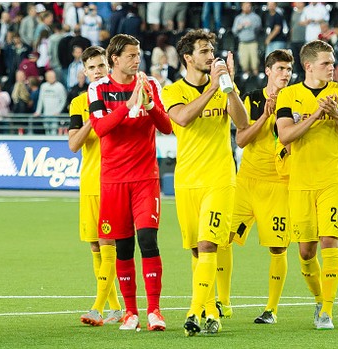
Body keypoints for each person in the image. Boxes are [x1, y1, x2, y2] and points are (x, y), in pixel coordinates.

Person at [161, 29, 249, 336]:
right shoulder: (172, 91)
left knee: (208, 243)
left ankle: (193, 312)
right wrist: (212, 88)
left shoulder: (223, 87)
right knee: (198, 252)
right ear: (188, 58)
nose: (211, 56)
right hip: (187, 182)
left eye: (212, 51)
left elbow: (242, 124)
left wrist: (229, 88)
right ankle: (211, 311)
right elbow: (182, 119)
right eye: (204, 51)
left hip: (220, 179)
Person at [86, 34, 173, 331]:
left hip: (145, 178)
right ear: (115, 58)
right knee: (123, 248)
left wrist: (148, 105)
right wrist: (128, 105)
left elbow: (166, 127)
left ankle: (154, 311)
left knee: (148, 240)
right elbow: (100, 128)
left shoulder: (150, 85)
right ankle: (131, 312)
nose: (137, 60)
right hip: (113, 181)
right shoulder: (98, 87)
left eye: (138, 55)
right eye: (131, 55)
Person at [275, 40, 338, 330]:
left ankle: (326, 311)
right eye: (326, 63)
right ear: (308, 66)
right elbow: (285, 136)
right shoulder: (288, 95)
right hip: (300, 182)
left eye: (333, 62)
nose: (332, 67)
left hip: (332, 179)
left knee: (330, 240)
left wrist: (336, 114)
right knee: (306, 252)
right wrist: (316, 115)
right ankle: (318, 297)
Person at [232, 49, 293, 325]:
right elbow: (241, 139)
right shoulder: (252, 98)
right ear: (268, 71)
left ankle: (271, 309)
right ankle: (221, 301)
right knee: (222, 238)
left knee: (278, 248)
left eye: (289, 70)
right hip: (246, 181)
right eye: (280, 69)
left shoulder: (297, 100)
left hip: (279, 184)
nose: (285, 74)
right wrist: (265, 116)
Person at [69, 46, 123, 327]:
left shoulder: (118, 96)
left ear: (109, 65)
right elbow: (73, 144)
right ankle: (115, 307)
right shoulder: (79, 103)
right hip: (89, 182)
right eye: (92, 68)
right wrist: (93, 118)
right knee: (95, 245)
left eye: (101, 65)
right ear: (85, 72)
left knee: (107, 242)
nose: (98, 71)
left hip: (112, 181)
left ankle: (97, 307)